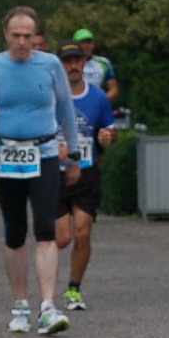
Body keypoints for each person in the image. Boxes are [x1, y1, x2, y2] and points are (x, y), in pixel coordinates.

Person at [0, 6, 82, 336]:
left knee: (46, 228)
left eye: (27, 36)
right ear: (5, 36)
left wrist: (72, 155)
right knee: (15, 231)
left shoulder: (50, 65)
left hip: (43, 152)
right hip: (6, 153)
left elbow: (66, 110)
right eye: (15, 36)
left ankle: (47, 306)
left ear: (36, 37)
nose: (21, 42)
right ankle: (20, 305)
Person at [53, 42, 116, 310]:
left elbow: (110, 131)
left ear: (84, 63)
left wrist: (108, 137)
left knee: (83, 232)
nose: (72, 66)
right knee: (62, 238)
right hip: (55, 174)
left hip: (87, 172)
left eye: (76, 60)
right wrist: (55, 148)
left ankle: (74, 288)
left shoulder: (98, 97)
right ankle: (48, 284)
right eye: (66, 62)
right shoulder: (51, 97)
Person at [74, 29, 119, 103]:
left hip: (97, 106)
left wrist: (99, 101)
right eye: (82, 43)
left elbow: (114, 90)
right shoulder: (68, 64)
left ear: (93, 44)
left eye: (88, 43)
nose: (86, 46)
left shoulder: (104, 63)